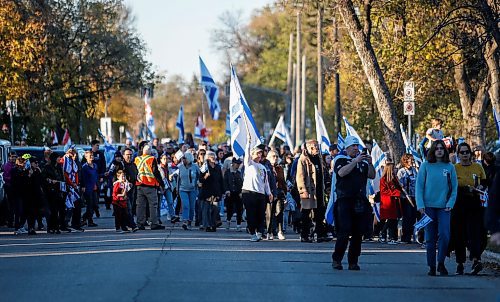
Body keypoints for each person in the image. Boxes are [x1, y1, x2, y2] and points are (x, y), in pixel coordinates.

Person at [331, 136, 375, 271]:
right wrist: (354, 161)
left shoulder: (363, 162)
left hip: (359, 201)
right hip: (344, 200)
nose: (356, 148)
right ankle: (337, 259)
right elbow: (341, 172)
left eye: (357, 146)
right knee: (344, 231)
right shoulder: (340, 160)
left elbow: (372, 175)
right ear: (347, 147)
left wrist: (370, 163)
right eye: (353, 146)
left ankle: (353, 261)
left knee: (358, 232)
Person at [416, 140, 458, 276]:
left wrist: (450, 203)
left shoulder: (450, 167)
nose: (439, 150)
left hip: (444, 207)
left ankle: (441, 262)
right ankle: (432, 266)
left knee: (445, 235)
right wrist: (420, 204)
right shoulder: (425, 166)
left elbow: (454, 188)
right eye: (437, 148)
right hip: (428, 207)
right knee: (430, 237)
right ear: (433, 150)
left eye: (442, 148)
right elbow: (419, 187)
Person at [449, 142, 487, 275]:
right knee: (459, 234)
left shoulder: (478, 167)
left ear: (470, 154)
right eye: (462, 152)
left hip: (475, 203)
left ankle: (476, 260)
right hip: (459, 204)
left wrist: (481, 187)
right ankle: (460, 263)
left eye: (467, 152)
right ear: (458, 154)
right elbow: (451, 185)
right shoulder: (454, 168)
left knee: (475, 233)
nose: (465, 154)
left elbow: (484, 181)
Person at [296, 140, 327, 243]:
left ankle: (319, 234)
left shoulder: (318, 158)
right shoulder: (303, 159)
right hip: (308, 191)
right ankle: (304, 235)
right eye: (313, 147)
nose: (316, 149)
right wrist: (302, 190)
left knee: (319, 213)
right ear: (308, 148)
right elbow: (300, 177)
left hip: (318, 190)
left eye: (317, 147)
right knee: (306, 213)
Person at [242, 141, 272, 242]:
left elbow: (266, 182)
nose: (259, 155)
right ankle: (252, 233)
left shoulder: (263, 167)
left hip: (260, 193)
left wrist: (269, 193)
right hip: (249, 192)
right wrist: (248, 142)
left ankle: (259, 231)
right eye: (257, 153)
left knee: (260, 214)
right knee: (251, 214)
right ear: (252, 154)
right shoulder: (249, 164)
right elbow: (247, 154)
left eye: (260, 153)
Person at [134, 144, 165, 230]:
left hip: (139, 185)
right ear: (150, 151)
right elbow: (156, 173)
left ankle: (140, 223)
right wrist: (162, 184)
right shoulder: (151, 159)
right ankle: (154, 223)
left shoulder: (137, 159)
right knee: (153, 205)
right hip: (150, 185)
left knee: (140, 205)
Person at [199, 151, 224, 232]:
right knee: (206, 210)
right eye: (211, 157)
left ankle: (213, 224)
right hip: (207, 192)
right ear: (208, 158)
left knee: (215, 209)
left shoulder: (218, 167)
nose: (213, 158)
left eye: (214, 156)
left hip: (216, 192)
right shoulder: (204, 167)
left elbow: (221, 180)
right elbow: (200, 180)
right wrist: (205, 176)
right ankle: (207, 226)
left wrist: (223, 191)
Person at [42, 152, 65, 234]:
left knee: (59, 209)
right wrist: (50, 181)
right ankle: (51, 227)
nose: (59, 159)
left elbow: (62, 177)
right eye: (58, 157)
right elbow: (44, 179)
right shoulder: (47, 167)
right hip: (50, 191)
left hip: (59, 190)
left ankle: (57, 226)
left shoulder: (59, 167)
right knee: (52, 210)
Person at [397, 154, 418, 244]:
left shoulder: (414, 170)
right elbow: (399, 185)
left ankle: (412, 236)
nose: (412, 161)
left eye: (413, 160)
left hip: (414, 197)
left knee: (413, 217)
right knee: (407, 217)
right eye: (410, 160)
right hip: (406, 197)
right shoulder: (401, 171)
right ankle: (405, 237)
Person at [379, 162, 402, 244]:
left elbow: (399, 187)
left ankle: (393, 237)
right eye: (393, 168)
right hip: (387, 202)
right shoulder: (383, 179)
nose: (395, 169)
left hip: (394, 202)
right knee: (389, 219)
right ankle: (383, 233)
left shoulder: (394, 179)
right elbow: (384, 191)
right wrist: (396, 192)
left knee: (394, 220)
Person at [266, 150, 287, 240]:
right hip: (269, 193)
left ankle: (280, 231)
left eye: (277, 156)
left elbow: (282, 181)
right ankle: (269, 231)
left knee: (279, 212)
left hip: (278, 192)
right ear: (268, 158)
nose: (275, 158)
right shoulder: (266, 168)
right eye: (273, 156)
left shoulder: (280, 168)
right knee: (269, 213)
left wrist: (285, 193)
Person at [177, 151, 200, 230]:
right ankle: (185, 221)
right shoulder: (180, 167)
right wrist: (177, 189)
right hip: (182, 189)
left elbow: (200, 176)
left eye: (185, 158)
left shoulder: (195, 167)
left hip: (193, 189)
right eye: (183, 158)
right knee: (185, 205)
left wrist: (198, 183)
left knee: (192, 206)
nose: (183, 160)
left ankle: (190, 220)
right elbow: (178, 179)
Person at [224, 157, 244, 231]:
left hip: (238, 193)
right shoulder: (228, 172)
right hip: (230, 193)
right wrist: (227, 190)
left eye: (239, 164)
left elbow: (242, 183)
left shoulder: (239, 173)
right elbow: (225, 182)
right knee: (230, 208)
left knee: (239, 209)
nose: (238, 165)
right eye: (237, 164)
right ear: (233, 164)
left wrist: (241, 192)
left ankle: (238, 225)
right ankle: (228, 220)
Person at [80, 151, 99, 227]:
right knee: (90, 205)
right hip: (88, 188)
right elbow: (83, 178)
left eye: (92, 155)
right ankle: (88, 220)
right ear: (86, 157)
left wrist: (103, 175)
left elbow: (96, 175)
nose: (92, 157)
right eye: (90, 156)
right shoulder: (84, 167)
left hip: (94, 187)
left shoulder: (95, 165)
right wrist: (83, 186)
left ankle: (85, 218)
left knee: (94, 205)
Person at [123, 148, 139, 231]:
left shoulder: (133, 165)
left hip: (133, 189)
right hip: (124, 190)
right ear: (124, 155)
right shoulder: (122, 165)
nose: (129, 156)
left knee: (131, 207)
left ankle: (127, 224)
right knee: (127, 207)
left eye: (130, 155)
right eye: (127, 155)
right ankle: (132, 225)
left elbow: (136, 175)